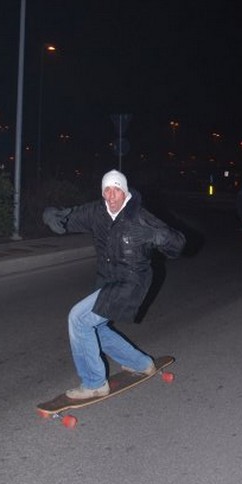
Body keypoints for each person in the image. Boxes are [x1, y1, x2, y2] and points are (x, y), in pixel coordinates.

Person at [42, 169, 186, 399]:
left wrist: (156, 237)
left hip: (133, 283)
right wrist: (52, 216)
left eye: (116, 189)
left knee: (78, 319)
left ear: (125, 192)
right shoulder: (96, 212)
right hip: (107, 281)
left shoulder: (140, 216)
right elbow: (70, 217)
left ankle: (94, 383)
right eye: (107, 190)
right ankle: (140, 363)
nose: (111, 196)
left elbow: (178, 244)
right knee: (97, 327)